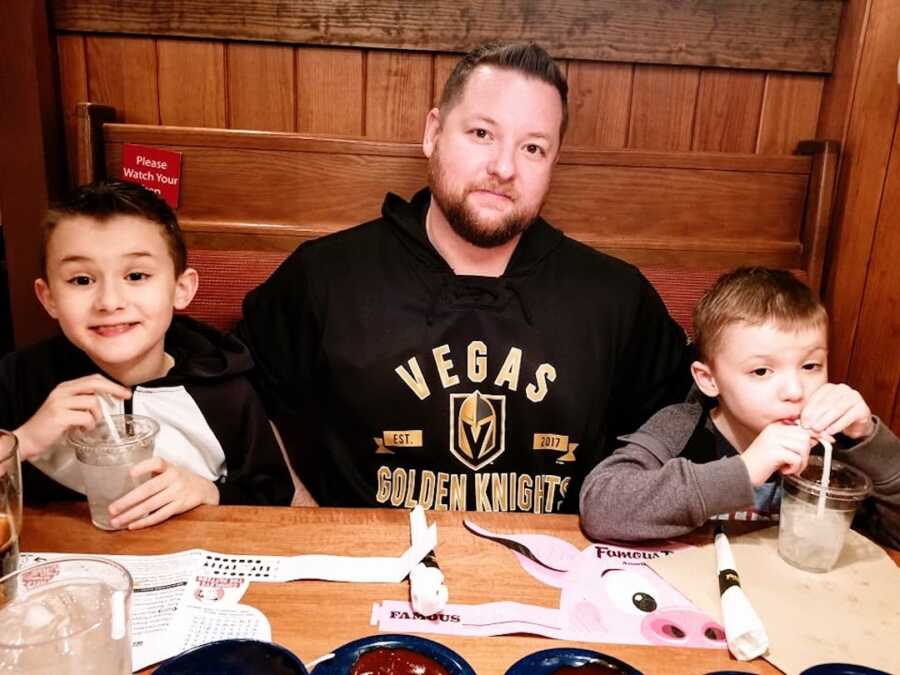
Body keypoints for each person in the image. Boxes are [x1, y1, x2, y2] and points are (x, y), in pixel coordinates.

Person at [237, 42, 692, 513]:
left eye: (533, 148)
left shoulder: (614, 296)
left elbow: (686, 411)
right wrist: (297, 504)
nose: (503, 168)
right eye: (481, 133)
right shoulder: (326, 276)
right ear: (433, 133)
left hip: (556, 575)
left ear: (553, 162)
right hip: (367, 570)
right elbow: (237, 388)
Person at [1, 181, 294, 528]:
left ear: (180, 289)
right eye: (81, 280)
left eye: (136, 275)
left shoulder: (227, 390)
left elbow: (273, 498)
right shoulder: (20, 377)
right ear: (48, 297)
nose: (110, 302)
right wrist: (24, 441)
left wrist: (208, 492)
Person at [580, 267, 900, 547]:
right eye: (761, 371)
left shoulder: (839, 442)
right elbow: (600, 506)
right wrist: (745, 471)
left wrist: (868, 439)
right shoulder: (681, 427)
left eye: (811, 366)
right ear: (708, 380)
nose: (794, 391)